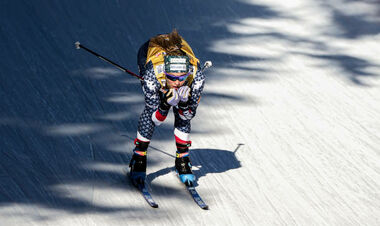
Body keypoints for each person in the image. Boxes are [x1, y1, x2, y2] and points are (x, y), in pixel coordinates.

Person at [129, 29, 206, 186]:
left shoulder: (197, 76)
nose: (177, 82)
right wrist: (164, 104)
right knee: (151, 109)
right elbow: (155, 119)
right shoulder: (153, 75)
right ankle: (139, 156)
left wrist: (183, 104)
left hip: (179, 54)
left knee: (181, 113)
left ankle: (182, 158)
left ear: (188, 73)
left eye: (182, 78)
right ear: (165, 74)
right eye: (172, 78)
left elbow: (189, 115)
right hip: (149, 51)